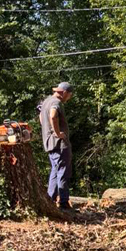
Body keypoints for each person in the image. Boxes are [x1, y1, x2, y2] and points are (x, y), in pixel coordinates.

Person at [39, 82, 74, 211]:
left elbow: (41, 118)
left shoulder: (45, 102)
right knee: (63, 172)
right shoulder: (56, 102)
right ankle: (64, 203)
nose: (68, 98)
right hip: (60, 145)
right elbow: (53, 115)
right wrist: (58, 133)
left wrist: (48, 130)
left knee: (55, 171)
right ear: (64, 93)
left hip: (49, 143)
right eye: (69, 95)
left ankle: (51, 200)